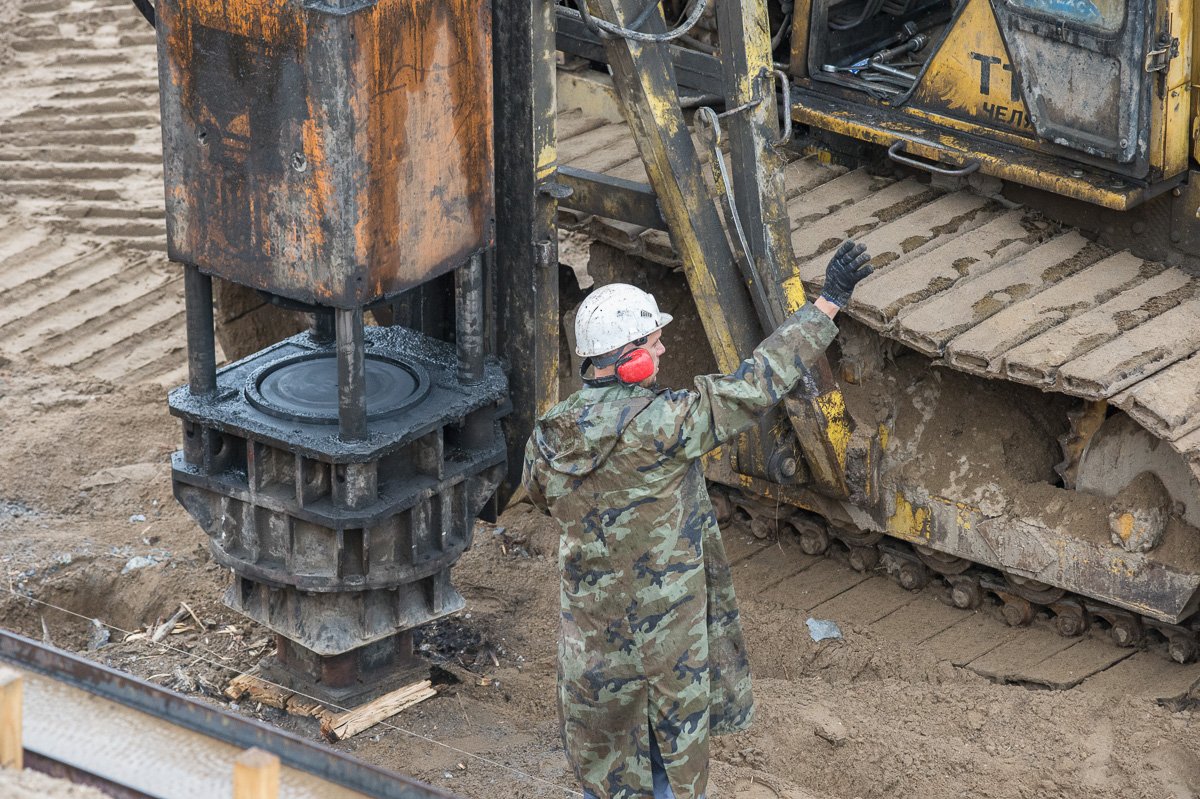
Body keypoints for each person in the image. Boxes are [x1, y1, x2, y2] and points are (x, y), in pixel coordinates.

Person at [521, 241, 872, 799]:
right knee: (669, 768)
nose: (660, 353)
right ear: (629, 357)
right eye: (654, 344)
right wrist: (827, 304)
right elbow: (758, 381)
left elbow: (541, 500)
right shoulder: (669, 424)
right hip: (666, 644)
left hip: (592, 646)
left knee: (608, 774)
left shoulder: (549, 434)